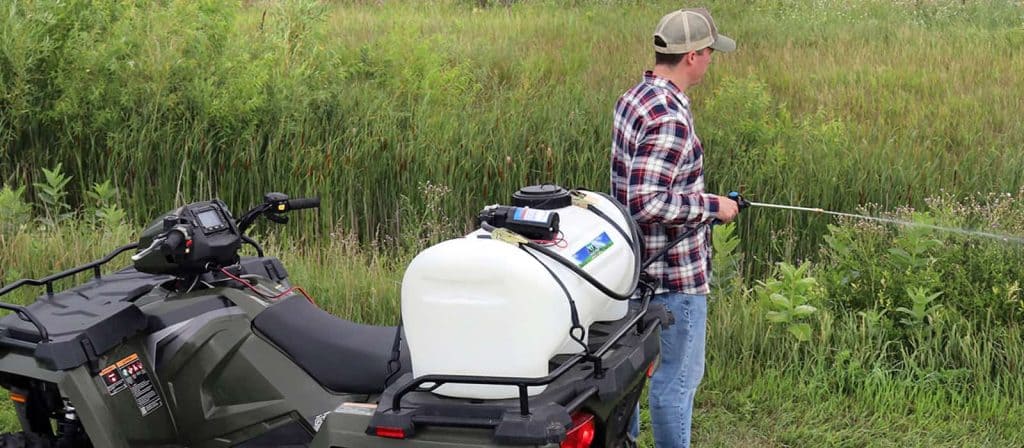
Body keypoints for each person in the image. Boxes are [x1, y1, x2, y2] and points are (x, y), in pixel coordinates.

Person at [611, 7, 739, 447]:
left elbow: (644, 188)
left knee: (626, 380)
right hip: (673, 279)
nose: (711, 61)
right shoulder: (669, 117)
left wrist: (697, 199)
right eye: (710, 53)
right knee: (676, 383)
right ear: (692, 56)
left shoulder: (635, 97)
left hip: (632, 273)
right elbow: (646, 200)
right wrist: (712, 206)